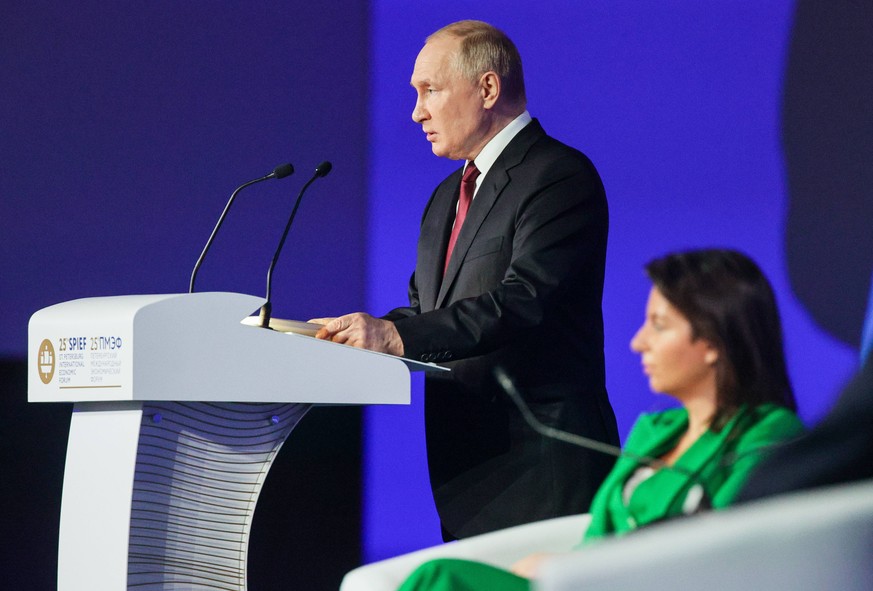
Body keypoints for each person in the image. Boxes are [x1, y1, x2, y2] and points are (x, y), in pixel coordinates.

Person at [311, 20, 618, 540]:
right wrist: (356, 336)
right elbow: (424, 313)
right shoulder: (443, 198)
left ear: (488, 88)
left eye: (430, 90)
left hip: (542, 468)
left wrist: (394, 336)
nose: (416, 112)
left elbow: (525, 301)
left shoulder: (558, 176)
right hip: (467, 477)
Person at [394, 248, 805, 591]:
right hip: (589, 580)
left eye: (658, 326)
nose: (638, 341)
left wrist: (577, 570)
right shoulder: (656, 431)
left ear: (714, 341)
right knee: (436, 578)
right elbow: (599, 534)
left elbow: (726, 554)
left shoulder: (768, 437)